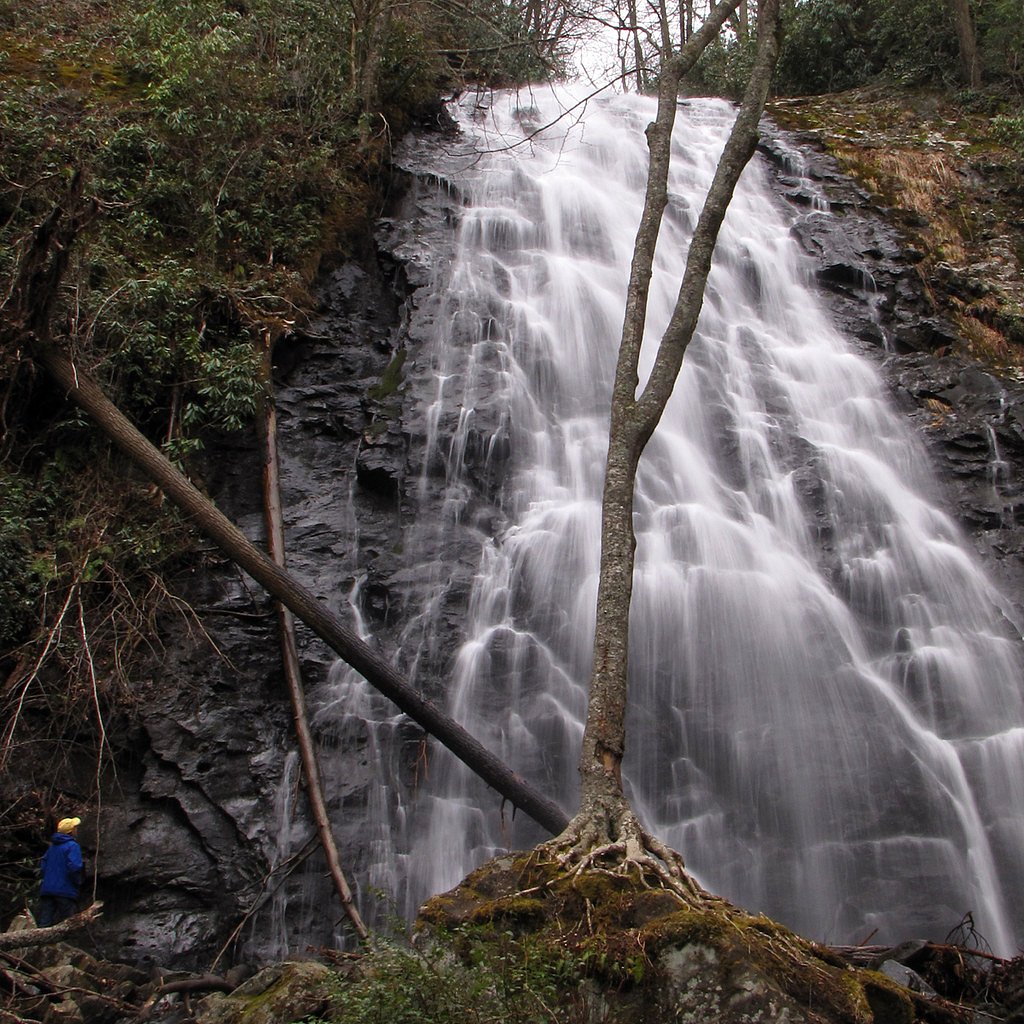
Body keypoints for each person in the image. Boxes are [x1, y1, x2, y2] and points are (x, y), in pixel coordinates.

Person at [38, 816, 84, 927]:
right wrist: (77, 882)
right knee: (69, 923)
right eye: (75, 828)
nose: (77, 830)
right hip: (65, 890)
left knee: (44, 923)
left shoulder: (52, 847)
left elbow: (43, 865)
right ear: (71, 831)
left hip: (47, 889)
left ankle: (41, 939)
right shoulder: (72, 846)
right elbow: (75, 866)